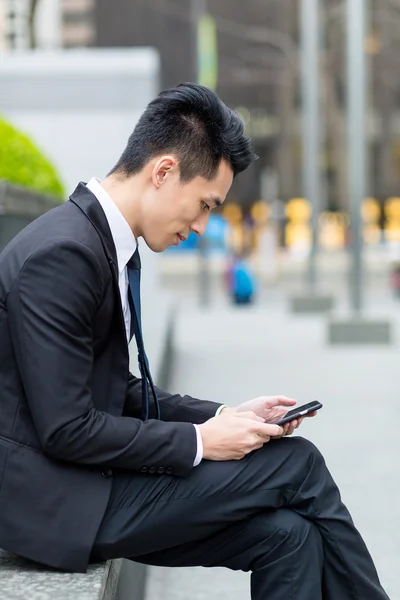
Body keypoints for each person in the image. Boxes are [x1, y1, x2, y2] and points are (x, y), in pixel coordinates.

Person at [0, 83, 389, 600]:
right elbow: (67, 428)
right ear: (163, 172)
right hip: (55, 501)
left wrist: (227, 416)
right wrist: (203, 442)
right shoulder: (65, 254)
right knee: (299, 463)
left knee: (288, 537)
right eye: (205, 204)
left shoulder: (100, 242)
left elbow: (117, 390)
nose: (203, 226)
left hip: (82, 484)